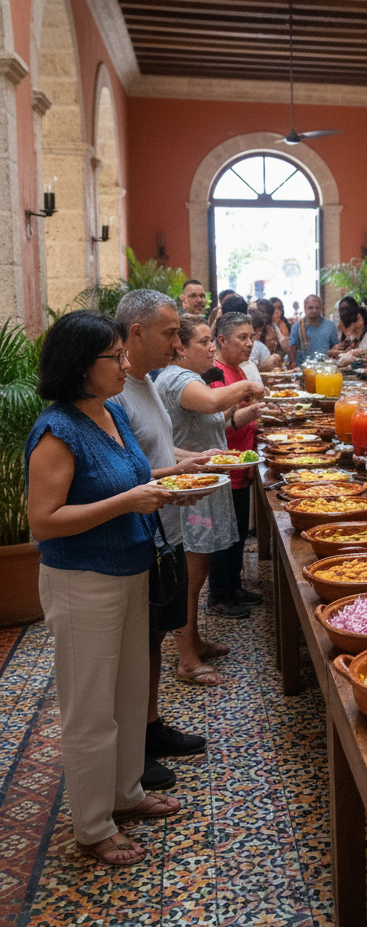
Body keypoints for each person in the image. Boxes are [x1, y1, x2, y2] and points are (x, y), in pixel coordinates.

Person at [26, 310, 182, 866]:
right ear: (79, 367)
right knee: (89, 707)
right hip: (82, 580)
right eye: (113, 357)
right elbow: (43, 521)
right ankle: (92, 827)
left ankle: (126, 794)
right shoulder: (58, 430)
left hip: (130, 569)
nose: (123, 365)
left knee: (127, 690)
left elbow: (133, 480)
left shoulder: (110, 411)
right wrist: (128, 503)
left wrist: (178, 479)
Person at [115, 290, 216, 788]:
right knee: (138, 642)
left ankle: (151, 726)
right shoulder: (115, 393)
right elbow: (121, 474)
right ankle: (132, 744)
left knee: (155, 638)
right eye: (170, 332)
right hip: (143, 532)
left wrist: (185, 463)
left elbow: (152, 446)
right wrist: (171, 477)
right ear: (136, 334)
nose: (177, 342)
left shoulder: (147, 382)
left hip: (167, 526)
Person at [157, 316, 265, 662]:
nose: (210, 348)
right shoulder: (178, 379)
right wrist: (249, 387)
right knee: (190, 577)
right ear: (181, 349)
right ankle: (187, 658)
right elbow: (215, 403)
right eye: (203, 342)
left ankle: (196, 641)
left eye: (210, 341)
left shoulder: (190, 377)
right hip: (188, 489)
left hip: (201, 480)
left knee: (198, 571)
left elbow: (217, 418)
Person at [208, 313, 266, 615]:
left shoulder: (238, 371)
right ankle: (219, 595)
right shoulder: (216, 375)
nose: (249, 343)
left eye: (252, 336)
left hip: (241, 465)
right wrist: (255, 410)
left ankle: (233, 585)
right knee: (225, 535)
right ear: (221, 341)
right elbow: (223, 426)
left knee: (238, 531)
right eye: (242, 337)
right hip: (224, 468)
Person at [288, 294, 339, 365]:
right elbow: (292, 350)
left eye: (317, 308)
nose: (314, 310)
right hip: (303, 369)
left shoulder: (330, 326)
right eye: (310, 308)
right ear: (305, 308)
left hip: (325, 369)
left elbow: (336, 348)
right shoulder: (297, 327)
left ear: (321, 309)